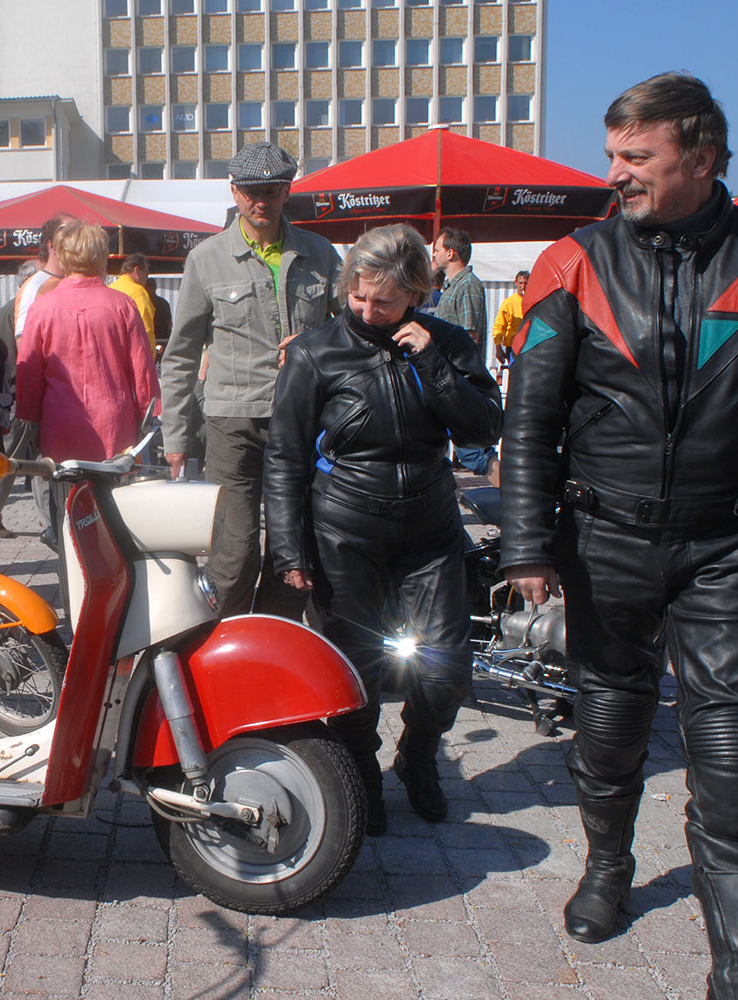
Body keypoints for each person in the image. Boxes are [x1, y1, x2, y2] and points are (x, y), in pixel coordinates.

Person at [500, 73, 738, 997]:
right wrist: (526, 546)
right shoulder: (570, 260)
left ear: (700, 158)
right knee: (611, 729)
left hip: (726, 546)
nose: (613, 171)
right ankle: (608, 867)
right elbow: (528, 418)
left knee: (736, 754)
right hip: (605, 541)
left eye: (635, 156)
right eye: (612, 153)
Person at [264, 224, 501, 836]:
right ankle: (360, 771)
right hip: (345, 530)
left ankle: (418, 755)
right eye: (360, 297)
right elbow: (285, 455)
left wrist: (434, 363)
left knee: (447, 666)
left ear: (417, 294)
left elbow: (482, 429)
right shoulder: (317, 350)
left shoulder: (445, 341)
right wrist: (289, 549)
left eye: (385, 302)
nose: (369, 312)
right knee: (355, 667)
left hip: (430, 531)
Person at [160, 141, 342, 619]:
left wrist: (315, 343)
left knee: (294, 554)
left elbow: (352, 330)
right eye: (252, 192)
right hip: (232, 425)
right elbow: (180, 355)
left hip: (303, 423)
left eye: (273, 191)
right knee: (233, 556)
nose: (262, 202)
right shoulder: (207, 259)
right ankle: (227, 646)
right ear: (235, 191)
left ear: (287, 191)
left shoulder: (320, 254)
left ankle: (272, 640)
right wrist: (176, 435)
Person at [16, 218, 158, 467]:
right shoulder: (123, 305)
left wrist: (29, 417)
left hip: (60, 422)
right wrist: (149, 415)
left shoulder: (41, 309)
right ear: (101, 256)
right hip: (114, 423)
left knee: (65, 499)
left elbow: (28, 374)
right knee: (112, 499)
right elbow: (143, 371)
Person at [0, 261, 44, 540]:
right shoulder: (12, 313)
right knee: (10, 460)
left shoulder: (22, 311)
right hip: (17, 399)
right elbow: (8, 363)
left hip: (24, 397)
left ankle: (51, 520)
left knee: (39, 460)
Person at [431, 228, 496, 482]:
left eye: (436, 249)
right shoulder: (453, 286)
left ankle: (514, 508)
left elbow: (470, 336)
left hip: (460, 382)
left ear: (450, 252)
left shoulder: (468, 286)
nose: (433, 254)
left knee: (476, 454)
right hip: (446, 381)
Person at [108, 252, 156, 350]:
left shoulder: (110, 289)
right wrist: (150, 356)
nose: (147, 278)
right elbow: (145, 329)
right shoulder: (138, 292)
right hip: (132, 354)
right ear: (137, 270)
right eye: (147, 273)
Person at [491, 269, 531, 366]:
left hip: (530, 347)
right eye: (521, 283)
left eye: (526, 283)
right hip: (513, 348)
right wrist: (498, 348)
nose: (523, 286)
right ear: (516, 283)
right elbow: (499, 326)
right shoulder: (509, 303)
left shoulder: (533, 301)